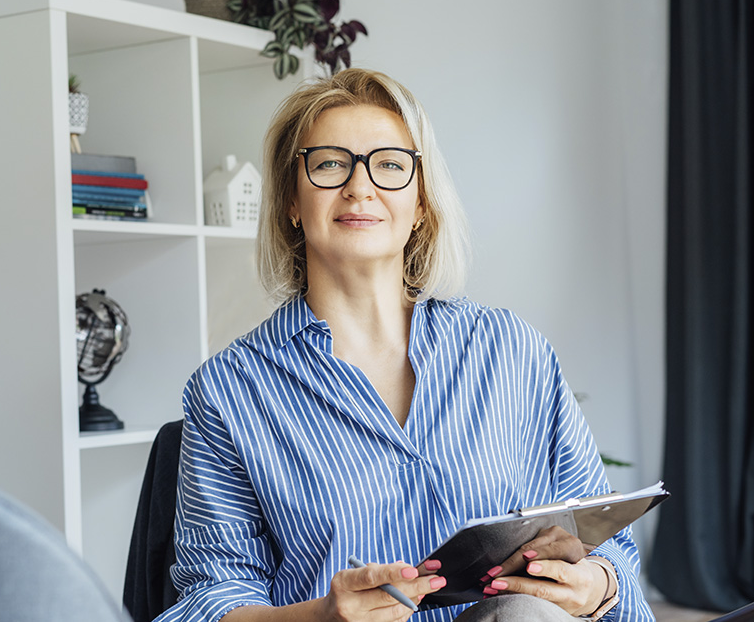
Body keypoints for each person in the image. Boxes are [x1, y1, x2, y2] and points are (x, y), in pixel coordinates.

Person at [154, 68, 654, 622]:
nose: (359, 186)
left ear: (421, 203)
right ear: (291, 202)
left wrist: (596, 587)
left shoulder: (512, 351)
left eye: (390, 165)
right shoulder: (229, 390)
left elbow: (611, 553)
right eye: (328, 164)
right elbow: (205, 604)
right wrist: (321, 616)